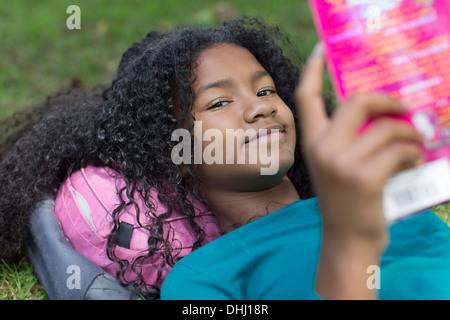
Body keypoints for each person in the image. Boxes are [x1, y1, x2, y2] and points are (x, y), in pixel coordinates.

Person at [0, 17, 448, 300]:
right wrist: (350, 241)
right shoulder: (203, 279)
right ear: (178, 154)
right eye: (218, 104)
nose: (259, 107)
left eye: (266, 89)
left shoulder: (401, 212)